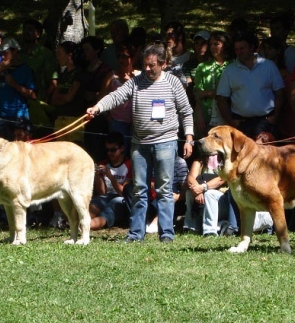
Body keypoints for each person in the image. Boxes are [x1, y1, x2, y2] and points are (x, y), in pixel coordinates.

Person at [86, 42, 195, 243]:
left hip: (166, 143)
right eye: (145, 64)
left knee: (164, 189)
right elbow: (116, 96)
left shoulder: (173, 83)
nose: (147, 68)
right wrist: (98, 108)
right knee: (139, 189)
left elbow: (186, 111)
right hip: (140, 144)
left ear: (163, 64)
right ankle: (136, 234)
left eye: (151, 65)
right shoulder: (136, 82)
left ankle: (166, 234)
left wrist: (189, 138)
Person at [216, 31, 285, 139]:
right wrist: (230, 121)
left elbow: (279, 92)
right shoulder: (230, 70)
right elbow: (221, 97)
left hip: (265, 122)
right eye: (236, 49)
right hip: (241, 124)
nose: (239, 52)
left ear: (252, 47)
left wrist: (275, 116)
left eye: (242, 48)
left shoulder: (268, 66)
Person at [0, 37, 36, 140]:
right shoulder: (0, 69)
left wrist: (14, 84)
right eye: (1, 53)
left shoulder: (26, 70)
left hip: (19, 117)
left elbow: (33, 95)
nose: (3, 56)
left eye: (5, 53)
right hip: (1, 116)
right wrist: (0, 70)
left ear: (15, 51)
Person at [192, 30, 233, 137]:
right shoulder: (202, 67)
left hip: (228, 114)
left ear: (225, 45)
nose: (213, 47)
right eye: (211, 44)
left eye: (216, 44)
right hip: (206, 115)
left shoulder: (233, 65)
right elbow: (198, 94)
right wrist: (199, 114)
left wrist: (209, 93)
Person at [89, 132, 132, 230]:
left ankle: (86, 226)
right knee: (95, 205)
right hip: (106, 197)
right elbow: (101, 192)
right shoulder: (103, 164)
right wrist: (97, 175)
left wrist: (110, 176)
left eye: (113, 150)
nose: (110, 153)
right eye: (107, 150)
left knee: (111, 206)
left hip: (121, 198)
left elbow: (123, 192)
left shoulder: (129, 165)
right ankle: (76, 222)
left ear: (122, 148)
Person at [48, 41, 85, 144]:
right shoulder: (63, 73)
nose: (58, 57)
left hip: (73, 120)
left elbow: (69, 97)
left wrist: (62, 98)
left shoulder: (79, 73)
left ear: (69, 55)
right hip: (60, 119)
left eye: (60, 54)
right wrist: (62, 98)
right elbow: (54, 98)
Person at [183, 155, 227, 236]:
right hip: (202, 195)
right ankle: (191, 227)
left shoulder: (226, 161)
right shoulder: (199, 162)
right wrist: (197, 192)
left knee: (209, 194)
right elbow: (190, 177)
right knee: (189, 192)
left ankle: (210, 231)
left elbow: (221, 179)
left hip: (222, 200)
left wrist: (203, 188)